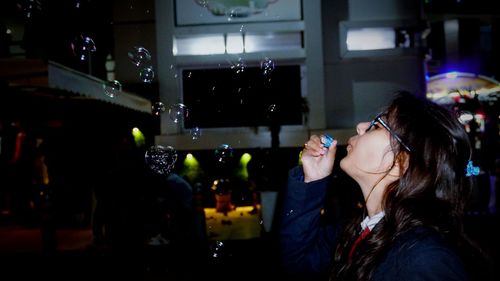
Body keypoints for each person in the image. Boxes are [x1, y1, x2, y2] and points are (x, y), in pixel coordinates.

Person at [279, 91, 490, 281]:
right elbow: (298, 263)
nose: (361, 126)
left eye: (378, 125)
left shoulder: (423, 257)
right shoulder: (358, 228)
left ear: (403, 161)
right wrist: (313, 179)